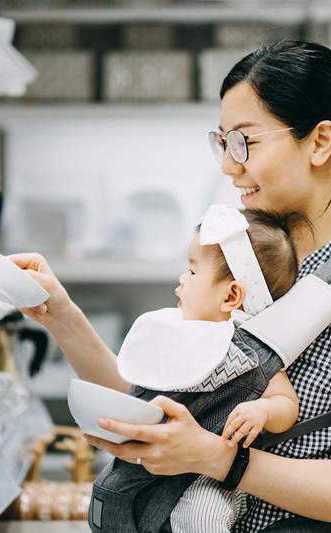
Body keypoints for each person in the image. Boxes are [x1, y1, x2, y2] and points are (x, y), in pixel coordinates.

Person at [11, 39, 331, 532]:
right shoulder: (246, 263)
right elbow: (156, 404)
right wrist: (59, 313)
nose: (229, 166)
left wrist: (218, 460)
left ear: (319, 141)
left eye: (244, 142)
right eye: (223, 142)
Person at [112, 205, 301, 532]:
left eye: (194, 270)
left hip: (212, 477)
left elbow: (287, 402)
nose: (183, 278)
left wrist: (264, 411)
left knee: (200, 516)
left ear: (231, 296)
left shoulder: (251, 347)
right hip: (159, 467)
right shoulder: (177, 332)